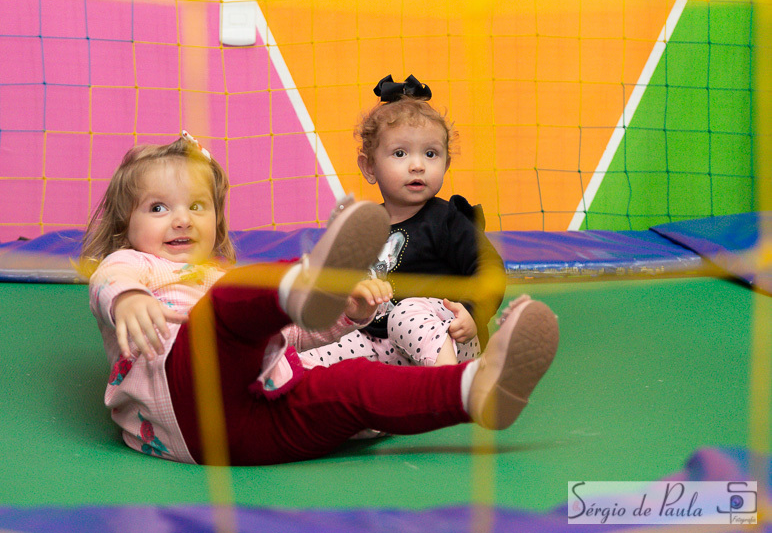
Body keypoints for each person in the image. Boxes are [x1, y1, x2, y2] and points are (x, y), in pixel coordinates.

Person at [81, 132, 558, 466]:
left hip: (248, 433)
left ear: (217, 223)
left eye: (197, 207)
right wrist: (126, 301)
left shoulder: (221, 272)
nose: (182, 220)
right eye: (159, 207)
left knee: (354, 385)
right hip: (180, 399)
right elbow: (108, 280)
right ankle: (310, 278)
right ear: (128, 226)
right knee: (232, 300)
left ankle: (473, 388)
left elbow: (294, 336)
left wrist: (346, 317)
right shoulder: (136, 266)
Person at [302, 74, 508, 370]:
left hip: (450, 337)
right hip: (382, 343)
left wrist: (473, 314)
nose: (417, 165)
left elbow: (489, 269)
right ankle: (292, 384)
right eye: (400, 153)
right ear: (369, 166)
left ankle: (450, 384)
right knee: (314, 340)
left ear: (446, 163)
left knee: (406, 313)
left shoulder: (446, 220)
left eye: (431, 153)